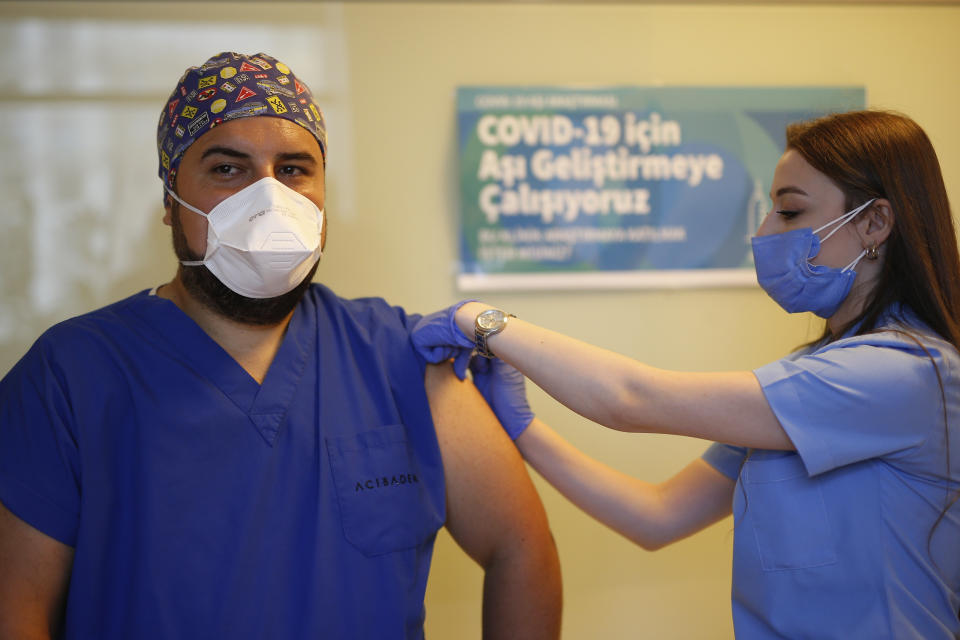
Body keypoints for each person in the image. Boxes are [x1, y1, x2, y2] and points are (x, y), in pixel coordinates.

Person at [0, 52, 561, 640]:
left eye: (293, 169)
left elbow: (521, 550)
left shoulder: (400, 356)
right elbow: (17, 610)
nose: (269, 199)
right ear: (170, 202)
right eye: (228, 169)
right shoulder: (70, 376)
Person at [413, 110, 960, 638]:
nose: (766, 231)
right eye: (769, 209)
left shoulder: (908, 374)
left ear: (874, 222)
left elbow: (632, 399)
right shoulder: (805, 377)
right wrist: (523, 429)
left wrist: (481, 321)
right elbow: (656, 517)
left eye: (790, 213)